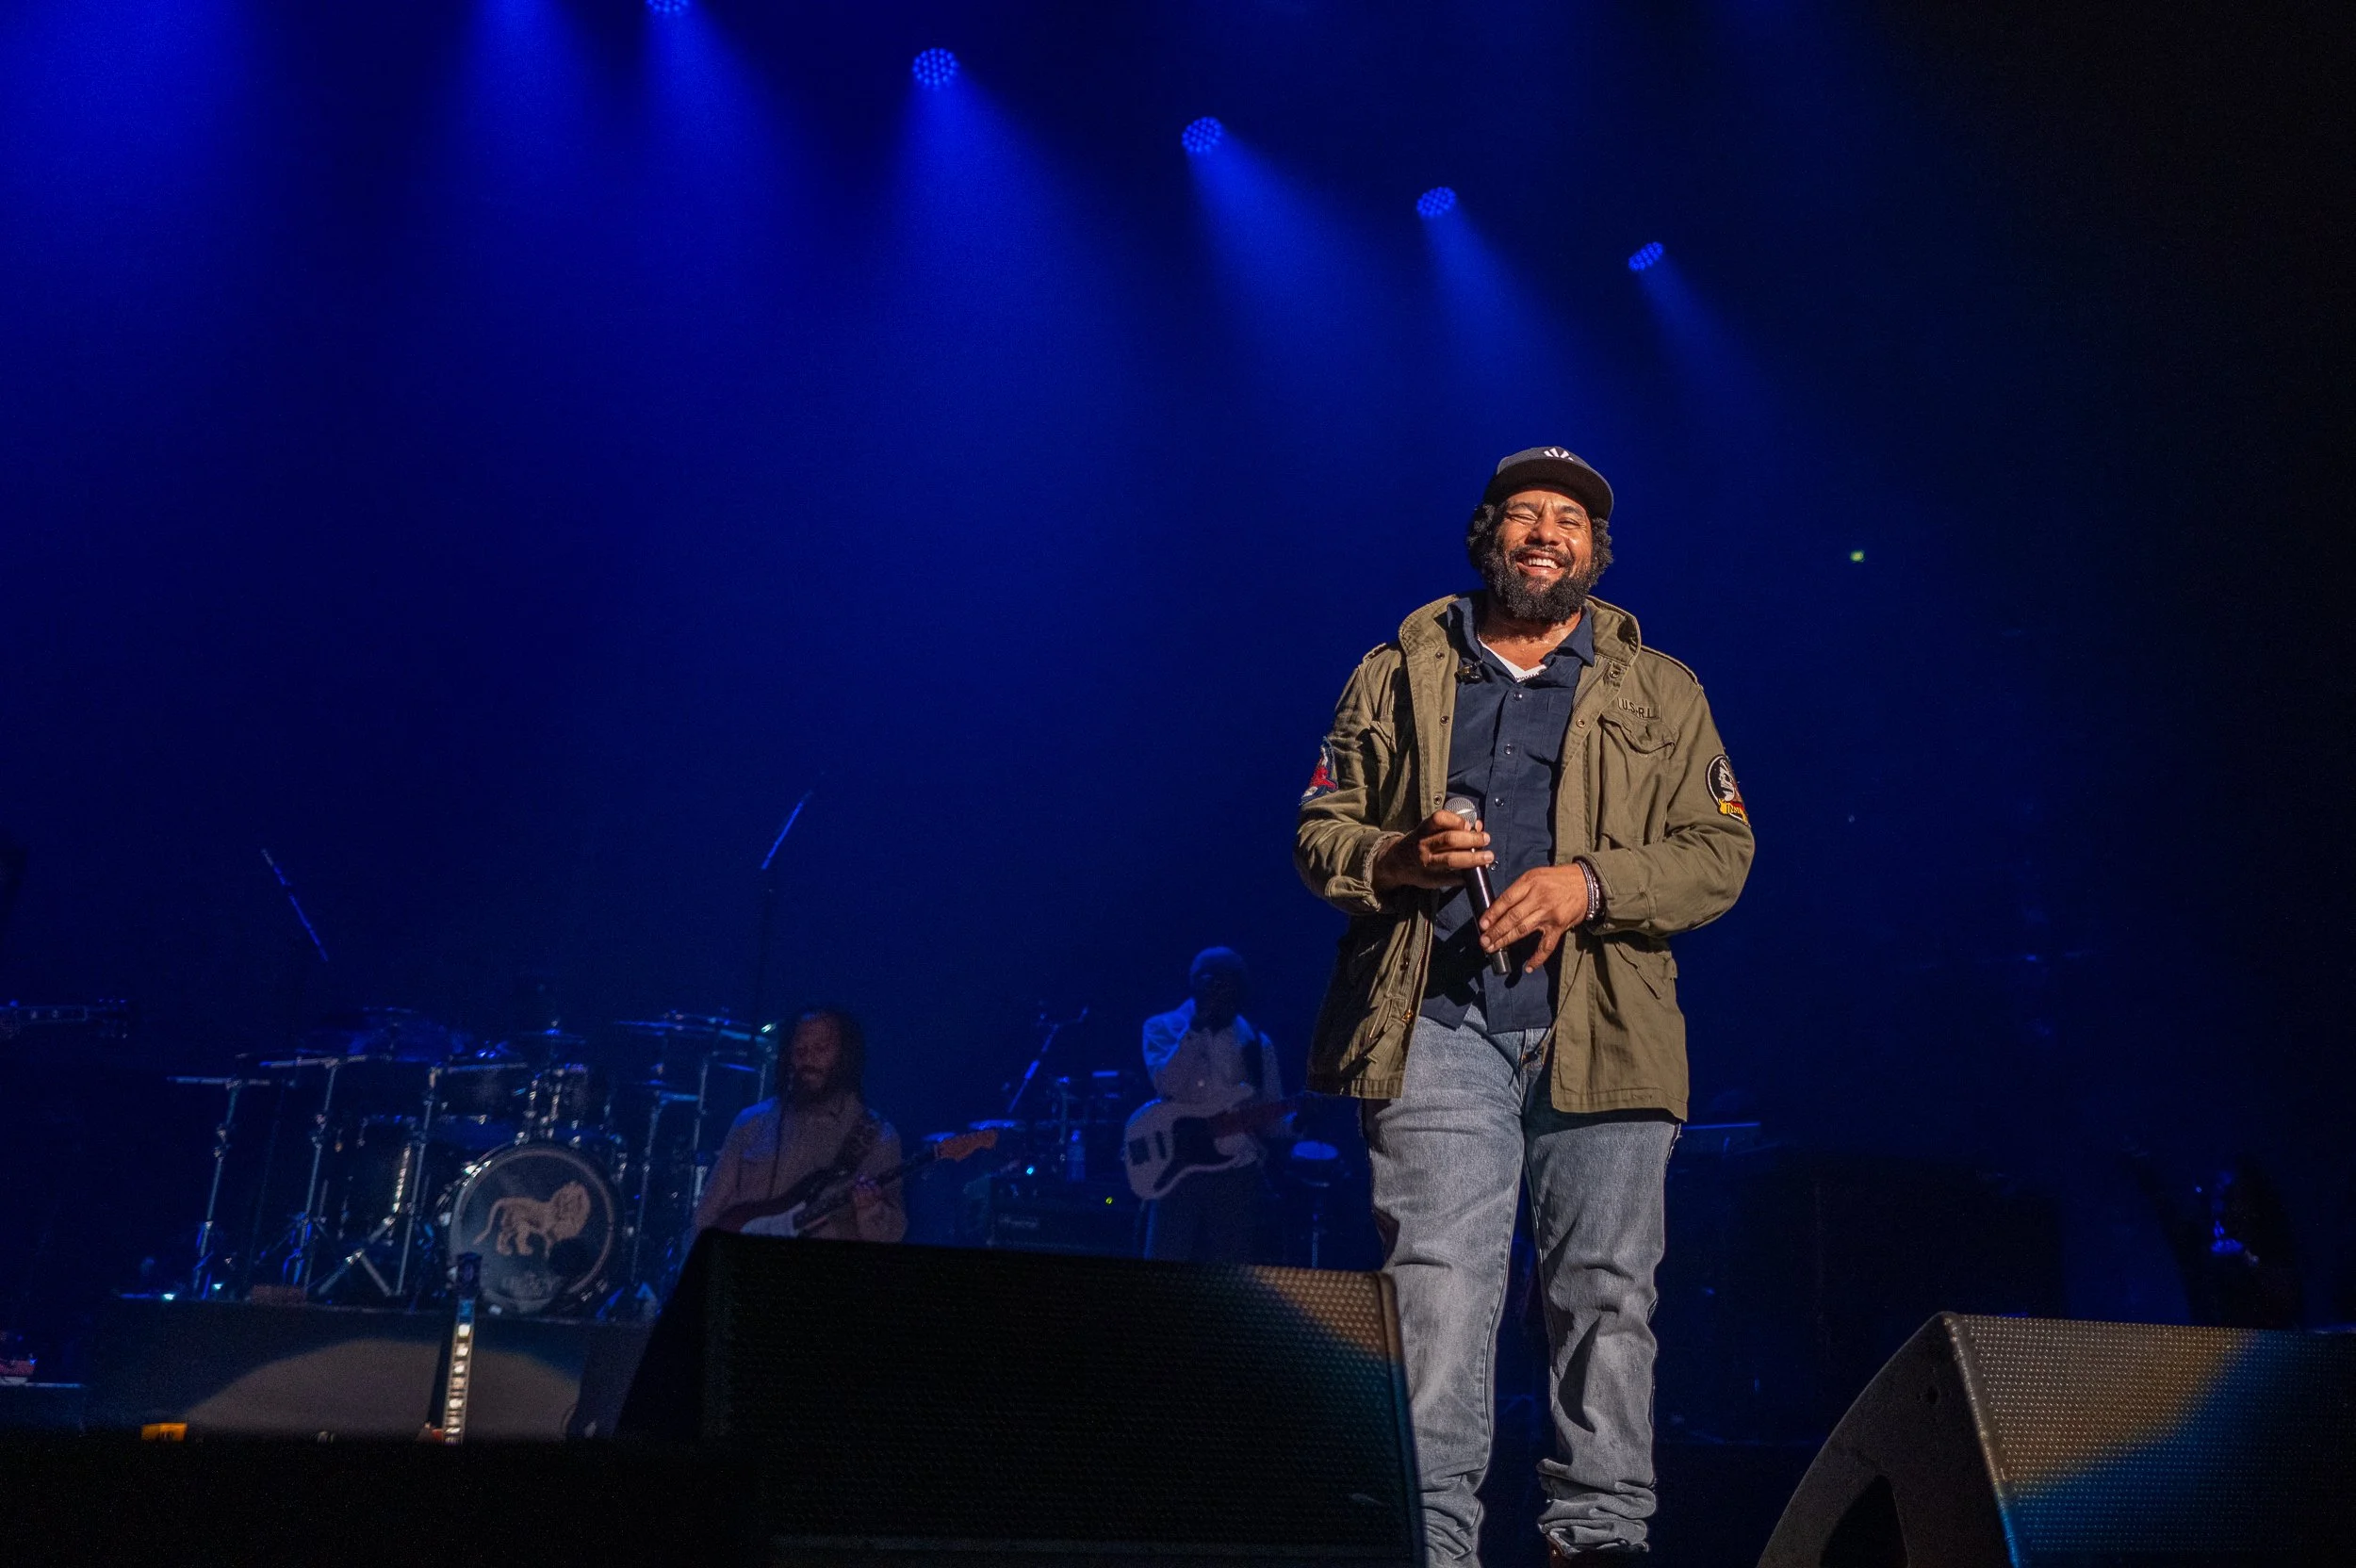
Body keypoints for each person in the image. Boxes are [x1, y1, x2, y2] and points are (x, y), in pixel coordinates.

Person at [1295, 447, 1754, 1564]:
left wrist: (1587, 882)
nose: (1546, 532)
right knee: (1437, 1294)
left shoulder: (1664, 687)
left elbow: (1722, 852)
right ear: (1485, 536)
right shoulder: (1397, 668)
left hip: (1604, 1029)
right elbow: (1320, 834)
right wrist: (1400, 855)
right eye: (1523, 515)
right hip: (1436, 1023)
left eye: (1571, 521)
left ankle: (1595, 1541)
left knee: (1605, 1297)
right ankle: (1429, 1542)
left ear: (1595, 553)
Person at [692, 1007, 907, 1243]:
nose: (808, 1058)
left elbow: (891, 1237)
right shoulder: (751, 1122)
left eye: (821, 1049)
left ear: (846, 1056)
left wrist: (871, 1213)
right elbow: (707, 1214)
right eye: (800, 1050)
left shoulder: (877, 1135)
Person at [1140, 947, 1284, 1262]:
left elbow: (1271, 1121)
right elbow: (1166, 1083)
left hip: (1235, 1172)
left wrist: (1296, 1121)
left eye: (1226, 982)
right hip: (1176, 1168)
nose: (1218, 990)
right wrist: (1194, 1030)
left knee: (1230, 1275)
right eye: (1211, 981)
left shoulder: (1258, 1043)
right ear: (1194, 983)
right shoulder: (1162, 1027)